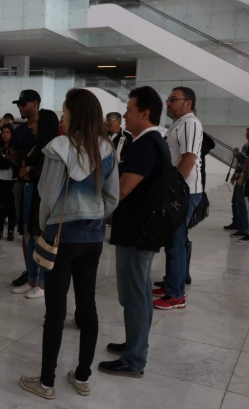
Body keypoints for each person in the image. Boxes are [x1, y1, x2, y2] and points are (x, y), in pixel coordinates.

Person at [19, 88, 119, 399]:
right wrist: (95, 216)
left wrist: (44, 226)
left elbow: (47, 195)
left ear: (74, 113)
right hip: (92, 237)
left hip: (61, 236)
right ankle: (83, 376)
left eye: (64, 111)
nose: (62, 116)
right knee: (87, 305)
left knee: (56, 310)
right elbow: (113, 196)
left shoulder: (58, 148)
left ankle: (46, 382)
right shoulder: (107, 149)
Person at [98, 86, 167, 378]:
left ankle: (134, 359)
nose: (124, 115)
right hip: (143, 230)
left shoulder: (145, 144)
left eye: (129, 109)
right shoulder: (153, 142)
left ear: (145, 112)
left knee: (134, 294)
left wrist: (96, 206)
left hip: (136, 232)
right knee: (140, 292)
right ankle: (136, 344)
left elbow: (124, 189)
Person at [153, 87, 203, 309]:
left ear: (188, 103)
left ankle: (176, 295)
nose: (169, 103)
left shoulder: (190, 123)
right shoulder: (179, 124)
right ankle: (171, 283)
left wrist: (174, 190)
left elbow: (189, 159)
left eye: (174, 99)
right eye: (168, 99)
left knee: (176, 242)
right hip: (178, 190)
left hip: (185, 192)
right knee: (172, 240)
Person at [12, 109, 60, 299]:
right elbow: (22, 169)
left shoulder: (52, 147)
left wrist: (28, 170)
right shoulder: (37, 144)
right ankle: (31, 279)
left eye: (36, 122)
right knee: (29, 236)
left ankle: (41, 283)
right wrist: (27, 169)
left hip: (40, 195)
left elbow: (34, 173)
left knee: (40, 237)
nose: (31, 125)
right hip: (28, 191)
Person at [10, 89, 40, 288]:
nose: (20, 107)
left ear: (35, 104)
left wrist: (28, 165)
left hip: (40, 186)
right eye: (18, 104)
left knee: (39, 231)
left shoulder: (46, 128)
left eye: (23, 104)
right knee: (25, 231)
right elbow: (13, 154)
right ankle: (30, 270)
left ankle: (41, 274)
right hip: (21, 185)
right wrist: (20, 162)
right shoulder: (19, 130)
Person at [0, 124, 17, 240]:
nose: (5, 135)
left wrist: (6, 160)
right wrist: (5, 161)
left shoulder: (15, 147)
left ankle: (11, 231)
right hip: (0, 179)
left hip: (13, 180)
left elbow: (16, 162)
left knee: (12, 207)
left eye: (8, 132)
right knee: (0, 206)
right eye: (4, 132)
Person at [225, 128, 249, 236]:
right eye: (247, 134)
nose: (246, 136)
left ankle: (243, 228)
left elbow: (245, 162)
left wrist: (237, 155)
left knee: (240, 203)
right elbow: (241, 164)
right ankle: (237, 223)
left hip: (244, 178)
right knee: (235, 202)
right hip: (240, 176)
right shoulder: (246, 145)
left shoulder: (247, 146)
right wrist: (235, 174)